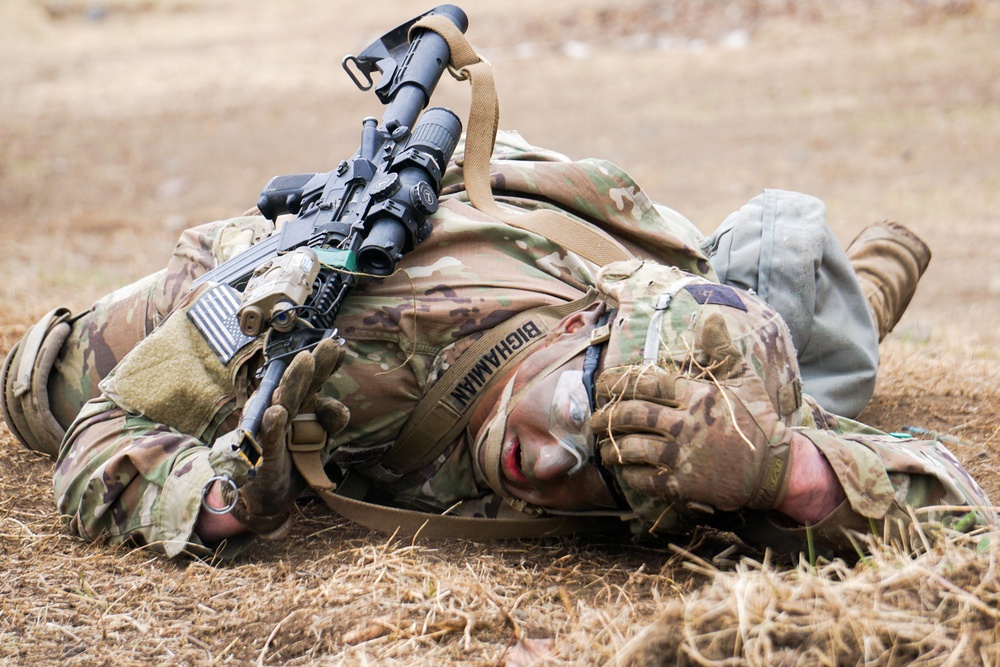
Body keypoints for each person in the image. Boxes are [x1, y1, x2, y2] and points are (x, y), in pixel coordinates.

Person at [2, 132, 993, 560]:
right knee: (40, 385)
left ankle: (876, 270)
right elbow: (106, 427)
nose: (560, 458)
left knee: (809, 338)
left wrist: (787, 472)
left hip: (625, 269)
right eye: (580, 406)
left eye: (615, 467)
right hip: (278, 276)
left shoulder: (683, 422)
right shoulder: (347, 328)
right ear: (580, 326)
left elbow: (960, 517)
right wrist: (212, 499)